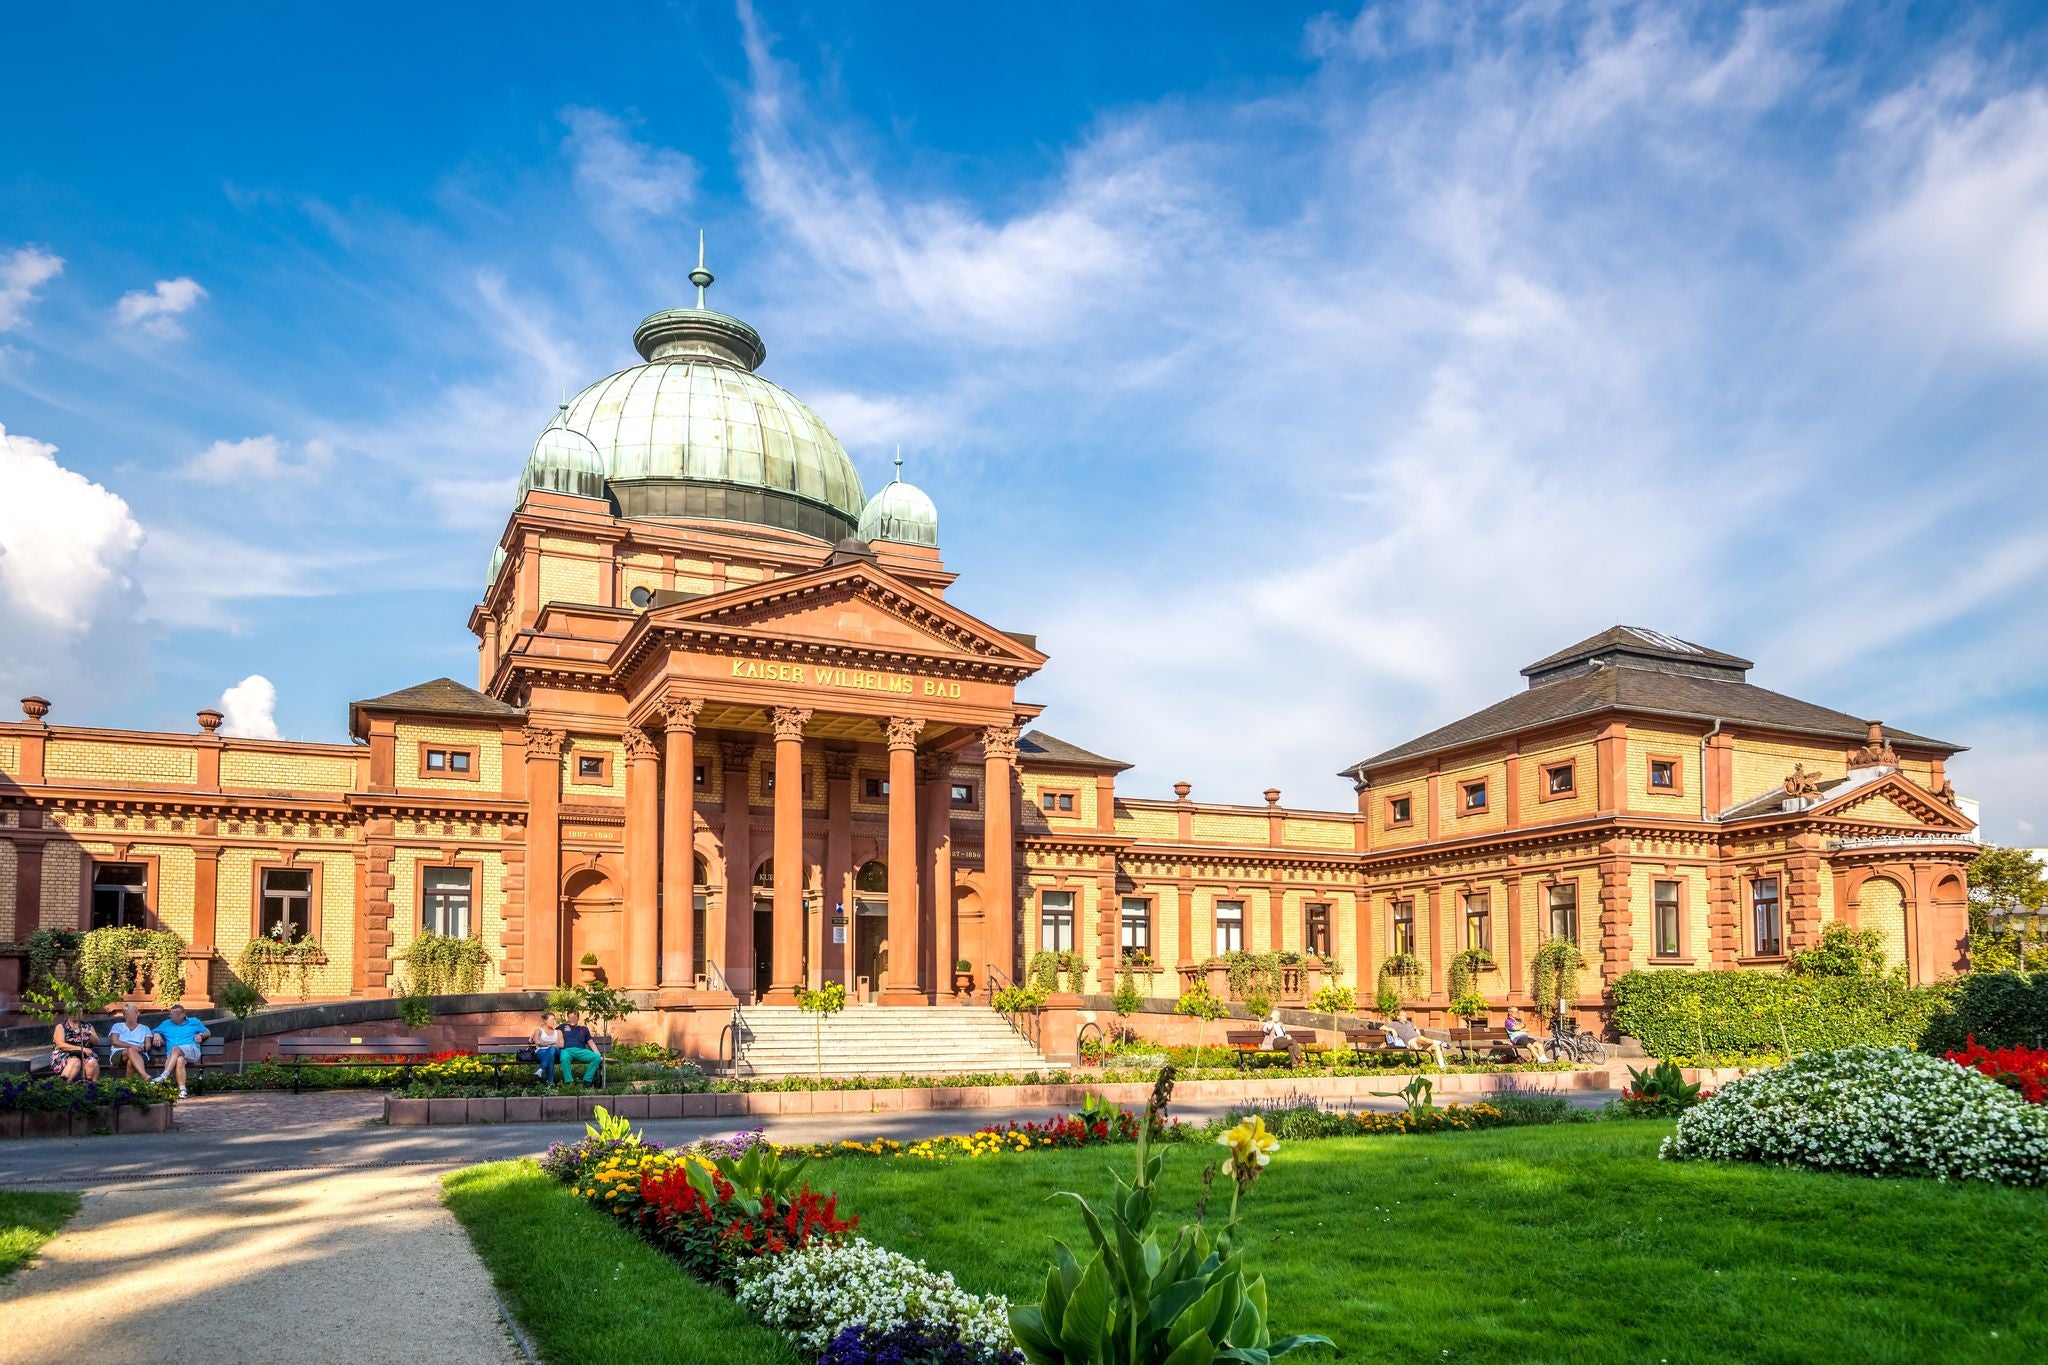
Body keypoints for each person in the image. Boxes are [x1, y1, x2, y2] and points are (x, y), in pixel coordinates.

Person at [152, 1003, 211, 1098]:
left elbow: (207, 1032)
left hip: (192, 1051)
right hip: (173, 1056)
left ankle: (164, 1076)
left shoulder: (194, 1022)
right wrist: (156, 1034)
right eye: (170, 1014)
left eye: (173, 1015)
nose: (170, 1016)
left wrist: (200, 1035)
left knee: (175, 1048)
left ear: (183, 1014)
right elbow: (153, 1031)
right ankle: (182, 1090)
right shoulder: (166, 1024)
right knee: (180, 1060)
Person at [49, 1004, 100, 1081]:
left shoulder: (87, 1026)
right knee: (75, 1061)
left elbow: (96, 1042)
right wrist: (82, 1049)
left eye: (80, 1012)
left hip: (85, 1055)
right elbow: (60, 1044)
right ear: (68, 1013)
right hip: (65, 1054)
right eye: (74, 1012)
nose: (77, 1014)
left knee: (92, 1062)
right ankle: (65, 1086)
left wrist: (88, 1033)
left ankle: (91, 1088)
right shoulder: (61, 1027)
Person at [108, 1004, 155, 1079]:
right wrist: (132, 1046)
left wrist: (142, 1048)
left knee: (131, 1062)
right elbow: (114, 1041)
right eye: (127, 1014)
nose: (130, 1016)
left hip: (140, 1053)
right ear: (124, 1015)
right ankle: (144, 1075)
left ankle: (128, 1086)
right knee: (130, 1050)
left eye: (132, 1013)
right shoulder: (117, 1026)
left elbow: (148, 1045)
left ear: (137, 1013)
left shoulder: (145, 1028)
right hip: (119, 1053)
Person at [557, 1010, 602, 1086]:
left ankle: (587, 1081)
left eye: (574, 1018)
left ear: (578, 1018)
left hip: (581, 1051)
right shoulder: (562, 1027)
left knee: (596, 1058)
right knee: (564, 1058)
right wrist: (533, 1035)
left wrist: (599, 1055)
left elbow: (591, 1043)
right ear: (568, 1018)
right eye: (570, 1018)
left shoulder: (584, 1029)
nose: (572, 1020)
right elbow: (548, 1031)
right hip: (567, 1050)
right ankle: (569, 1082)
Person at [531, 1011, 564, 1083]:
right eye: (552, 1020)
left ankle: (541, 1069)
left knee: (552, 1049)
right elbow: (538, 1042)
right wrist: (553, 1042)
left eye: (554, 1020)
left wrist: (545, 1043)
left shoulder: (558, 1032)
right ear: (545, 1021)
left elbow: (561, 1045)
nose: (554, 1022)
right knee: (551, 1057)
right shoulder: (539, 1031)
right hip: (541, 1052)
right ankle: (550, 1083)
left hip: (556, 1052)